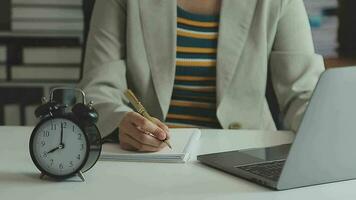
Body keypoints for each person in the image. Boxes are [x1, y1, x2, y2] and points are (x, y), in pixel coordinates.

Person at [79, 0, 325, 152]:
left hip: (247, 155)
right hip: (151, 158)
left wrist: (332, 131)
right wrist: (122, 121)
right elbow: (98, 88)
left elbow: (304, 93)